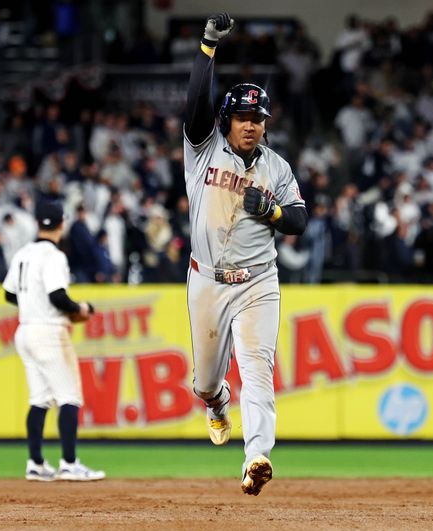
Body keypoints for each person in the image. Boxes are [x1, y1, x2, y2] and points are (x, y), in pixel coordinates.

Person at [183, 13, 308, 496]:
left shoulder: (277, 168)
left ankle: (257, 455)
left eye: (258, 119)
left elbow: (299, 221)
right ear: (227, 120)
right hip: (207, 280)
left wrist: (274, 213)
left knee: (258, 366)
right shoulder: (203, 149)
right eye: (243, 117)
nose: (252, 125)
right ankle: (216, 406)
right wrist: (209, 45)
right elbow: (196, 101)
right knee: (206, 381)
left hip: (258, 282)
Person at [2, 201, 105, 482]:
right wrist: (80, 309)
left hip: (25, 331)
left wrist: (31, 303)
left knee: (39, 400)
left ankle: (35, 463)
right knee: (69, 396)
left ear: (38, 223)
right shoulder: (54, 256)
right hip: (49, 331)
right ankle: (69, 463)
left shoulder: (23, 253)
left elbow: (9, 294)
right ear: (62, 224)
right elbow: (57, 296)